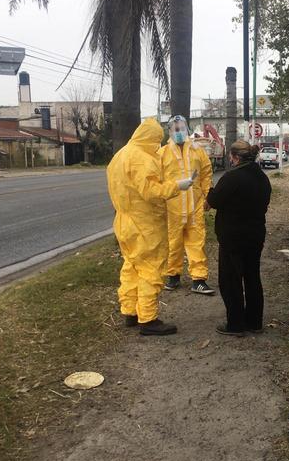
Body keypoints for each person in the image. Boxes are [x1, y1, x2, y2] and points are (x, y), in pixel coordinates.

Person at [107, 118, 193, 336]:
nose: (158, 144)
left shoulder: (120, 156)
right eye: (157, 140)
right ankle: (148, 318)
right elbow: (151, 191)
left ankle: (130, 311)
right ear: (151, 138)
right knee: (151, 269)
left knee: (131, 266)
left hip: (124, 221)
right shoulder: (142, 159)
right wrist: (178, 186)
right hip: (145, 224)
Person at [206, 140, 271, 336]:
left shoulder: (231, 178)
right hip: (256, 234)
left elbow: (213, 202)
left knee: (230, 279)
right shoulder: (262, 178)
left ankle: (235, 324)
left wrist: (209, 188)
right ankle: (254, 322)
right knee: (252, 277)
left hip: (233, 237)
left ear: (235, 157)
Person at [159, 115, 215, 295]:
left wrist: (208, 197)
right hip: (172, 207)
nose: (179, 132)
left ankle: (199, 280)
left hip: (195, 205)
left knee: (196, 242)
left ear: (188, 129)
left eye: (182, 128)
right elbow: (156, 181)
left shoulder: (198, 151)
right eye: (175, 129)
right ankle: (173, 276)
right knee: (173, 243)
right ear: (169, 131)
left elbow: (206, 174)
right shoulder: (162, 154)